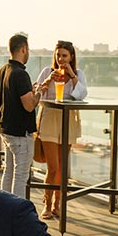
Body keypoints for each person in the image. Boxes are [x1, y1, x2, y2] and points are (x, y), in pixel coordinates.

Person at [34, 40, 88, 219]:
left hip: (68, 120)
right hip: (50, 118)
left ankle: (58, 203)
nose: (60, 59)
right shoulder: (47, 72)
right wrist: (49, 80)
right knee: (53, 167)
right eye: (58, 55)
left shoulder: (78, 74)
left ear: (71, 57)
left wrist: (71, 74)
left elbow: (81, 94)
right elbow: (37, 93)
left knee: (63, 167)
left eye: (64, 55)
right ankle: (47, 203)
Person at [0, 34, 40, 198]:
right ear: (24, 49)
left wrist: (30, 90)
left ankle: (5, 208)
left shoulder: (2, 71)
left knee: (8, 172)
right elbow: (29, 106)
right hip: (21, 133)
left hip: (6, 130)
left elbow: (11, 96)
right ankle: (17, 214)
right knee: (21, 176)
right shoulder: (20, 74)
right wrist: (38, 94)